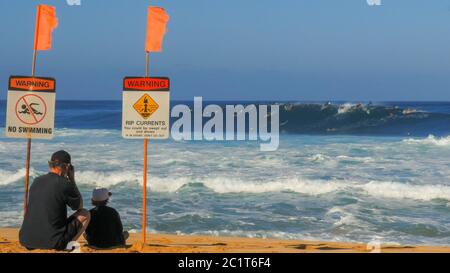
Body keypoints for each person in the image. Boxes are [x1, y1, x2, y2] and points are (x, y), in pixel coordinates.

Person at [19, 150, 90, 251]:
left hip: (26, 240)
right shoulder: (64, 183)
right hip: (53, 241)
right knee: (85, 213)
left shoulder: (36, 181)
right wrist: (72, 180)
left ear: (51, 165)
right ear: (67, 167)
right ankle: (67, 247)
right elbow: (79, 207)